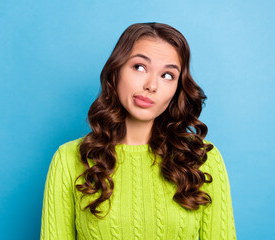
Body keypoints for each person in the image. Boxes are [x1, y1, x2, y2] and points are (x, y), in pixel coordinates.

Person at [40, 22, 236, 240]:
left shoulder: (201, 160)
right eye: (139, 67)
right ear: (116, 72)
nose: (151, 85)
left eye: (168, 75)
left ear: (177, 89)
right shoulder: (68, 159)